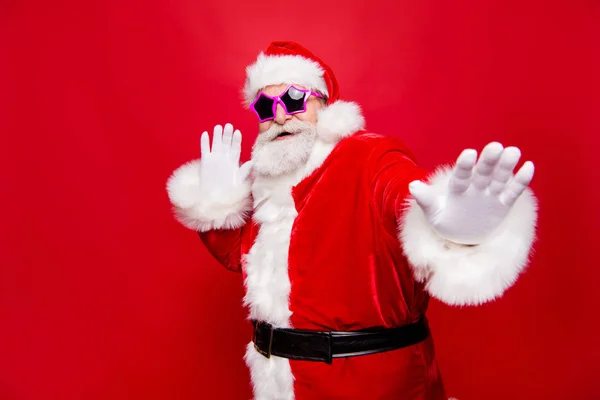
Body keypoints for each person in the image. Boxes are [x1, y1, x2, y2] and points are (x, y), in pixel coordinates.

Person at [166, 41, 538, 400]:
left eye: (294, 100)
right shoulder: (267, 187)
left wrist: (451, 226)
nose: (279, 116)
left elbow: (403, 190)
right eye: (265, 107)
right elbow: (242, 257)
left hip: (369, 384)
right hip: (280, 384)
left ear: (324, 105)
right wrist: (217, 206)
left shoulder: (369, 156)